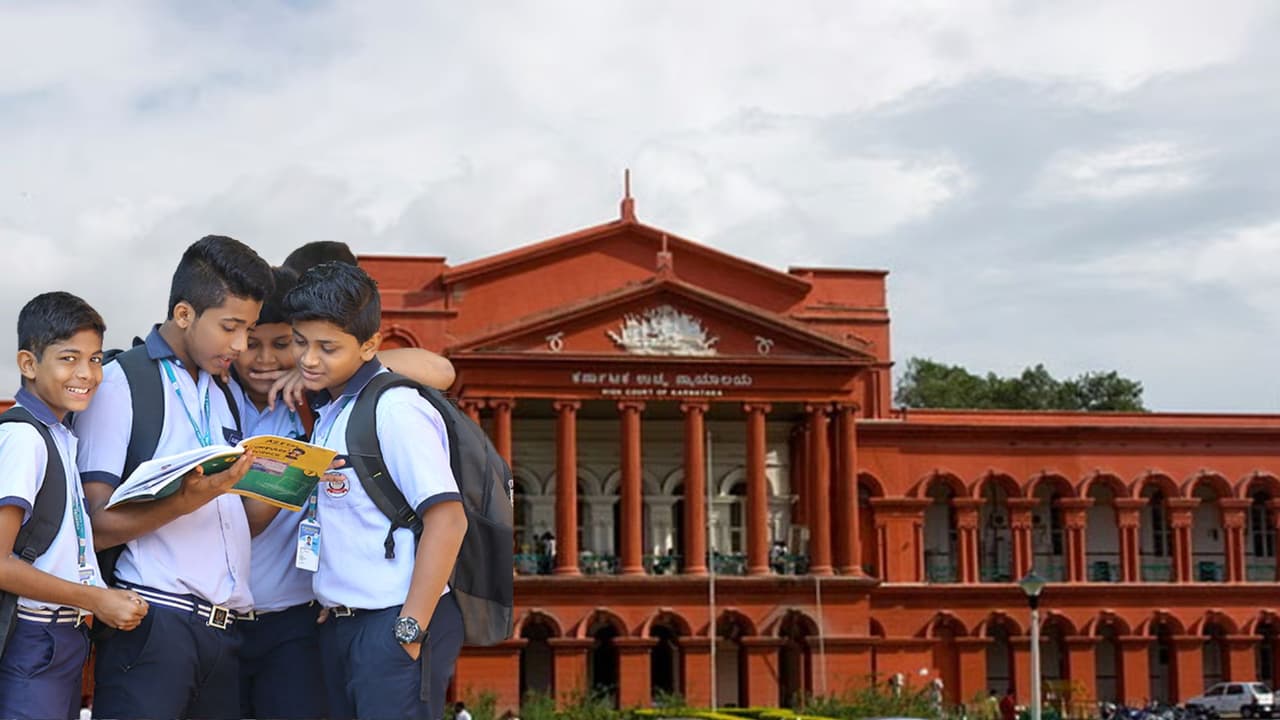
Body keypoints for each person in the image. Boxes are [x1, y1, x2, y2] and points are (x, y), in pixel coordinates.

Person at [236, 261, 457, 720]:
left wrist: (410, 627)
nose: (308, 359)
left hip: (391, 620)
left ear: (370, 345)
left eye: (328, 347)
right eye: (301, 342)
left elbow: (448, 519)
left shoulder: (394, 408)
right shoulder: (331, 413)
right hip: (342, 623)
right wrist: (335, 595)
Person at [75, 236, 272, 719]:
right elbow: (91, 527)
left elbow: (236, 521)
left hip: (225, 632)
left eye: (248, 329)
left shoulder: (224, 392)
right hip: (153, 625)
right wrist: (183, 502)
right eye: (230, 327)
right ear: (184, 314)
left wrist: (293, 484)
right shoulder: (122, 383)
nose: (241, 345)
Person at [0, 292, 149, 720]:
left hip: (63, 639)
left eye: (95, 359)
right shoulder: (24, 438)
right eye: (69, 358)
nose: (86, 373)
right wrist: (96, 599)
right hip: (33, 640)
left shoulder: (61, 435)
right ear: (28, 364)